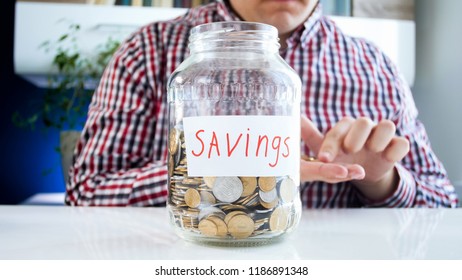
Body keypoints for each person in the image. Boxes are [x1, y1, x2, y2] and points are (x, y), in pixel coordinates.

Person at [65, 0, 458, 207]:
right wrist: (205, 173)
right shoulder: (149, 51)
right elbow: (86, 192)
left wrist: (378, 181)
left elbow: (443, 200)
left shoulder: (375, 66)